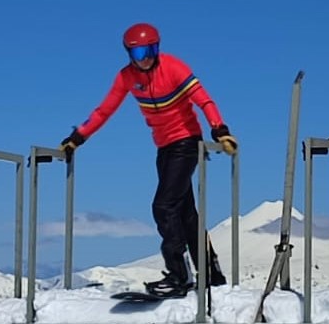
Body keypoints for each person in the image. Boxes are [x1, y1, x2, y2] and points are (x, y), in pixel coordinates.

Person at [59, 23, 238, 297]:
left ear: (158, 48)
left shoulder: (174, 67)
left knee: (163, 207)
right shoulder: (127, 77)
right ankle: (212, 275)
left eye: (150, 50)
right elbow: (104, 110)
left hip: (187, 142)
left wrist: (220, 129)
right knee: (185, 214)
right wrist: (77, 137)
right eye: (138, 53)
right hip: (164, 148)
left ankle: (179, 276)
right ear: (129, 53)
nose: (145, 58)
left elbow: (204, 100)